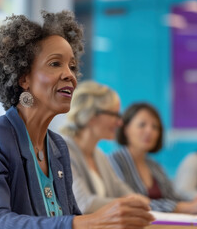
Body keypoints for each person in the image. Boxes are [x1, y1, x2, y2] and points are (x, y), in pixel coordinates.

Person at [0, 11, 154, 229]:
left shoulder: (57, 146)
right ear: (24, 78)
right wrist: (85, 223)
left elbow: (71, 216)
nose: (69, 74)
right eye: (55, 64)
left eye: (71, 65)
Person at [109, 103, 197, 213]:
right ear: (125, 129)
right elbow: (133, 203)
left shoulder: (154, 165)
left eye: (155, 127)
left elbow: (173, 196)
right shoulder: (114, 161)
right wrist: (188, 207)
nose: (149, 131)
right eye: (142, 125)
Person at [60, 81, 150, 215]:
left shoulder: (99, 155)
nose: (119, 122)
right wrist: (128, 203)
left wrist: (134, 200)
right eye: (114, 114)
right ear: (91, 115)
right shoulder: (63, 151)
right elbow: (83, 203)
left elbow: (122, 190)